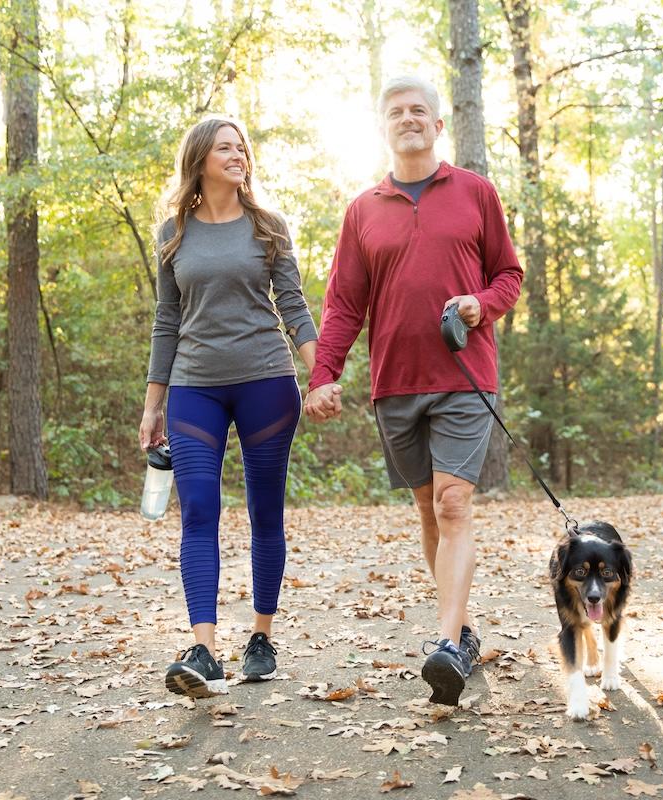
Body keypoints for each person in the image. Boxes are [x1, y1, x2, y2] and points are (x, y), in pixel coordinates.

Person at [304, 75, 523, 705]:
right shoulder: (363, 210)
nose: (408, 118)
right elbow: (345, 301)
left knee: (455, 504)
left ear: (437, 125)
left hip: (463, 376)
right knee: (428, 510)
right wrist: (324, 375)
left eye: (418, 110)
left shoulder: (477, 193)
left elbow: (508, 274)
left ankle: (448, 644)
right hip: (394, 382)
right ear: (383, 125)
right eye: (396, 111)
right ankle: (462, 631)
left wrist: (481, 306)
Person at [139, 116, 318, 699]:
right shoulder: (173, 231)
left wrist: (321, 374)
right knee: (198, 511)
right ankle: (205, 650)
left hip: (266, 380)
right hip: (195, 388)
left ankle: (261, 636)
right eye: (225, 147)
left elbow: (293, 305)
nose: (238, 154)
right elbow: (167, 322)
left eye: (242, 147)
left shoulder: (268, 226)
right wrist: (153, 403)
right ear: (200, 158)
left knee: (265, 510)